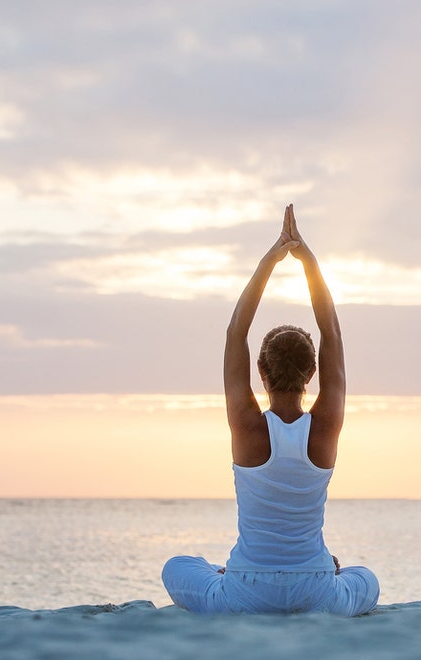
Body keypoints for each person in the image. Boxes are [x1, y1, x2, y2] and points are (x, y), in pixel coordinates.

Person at [161, 204, 379, 616]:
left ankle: (225, 573)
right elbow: (331, 329)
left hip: (246, 590)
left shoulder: (246, 427)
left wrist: (271, 259)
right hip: (317, 589)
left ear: (260, 371)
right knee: (366, 578)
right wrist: (307, 261)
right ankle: (323, 570)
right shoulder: (325, 426)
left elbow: (235, 331)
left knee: (177, 567)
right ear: (312, 373)